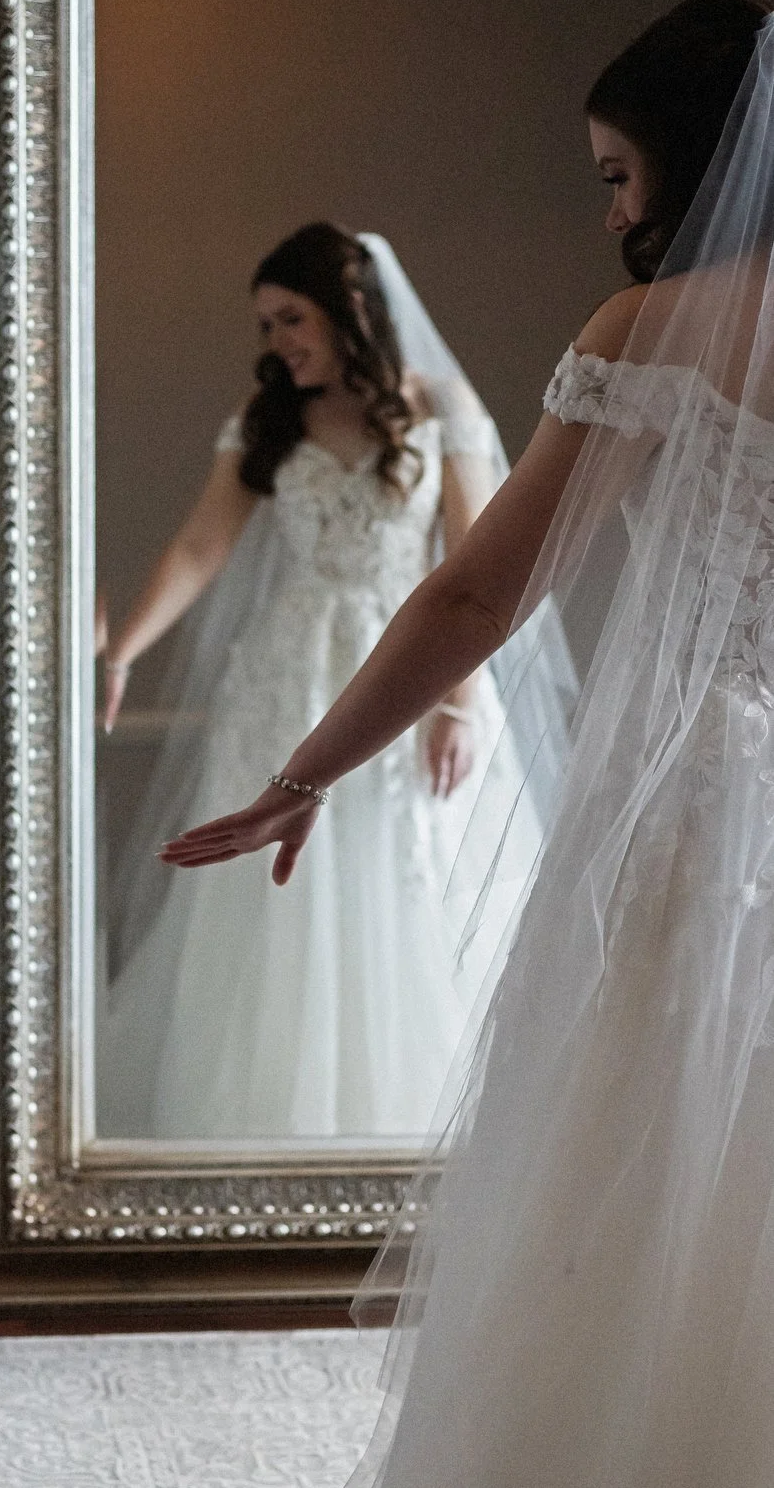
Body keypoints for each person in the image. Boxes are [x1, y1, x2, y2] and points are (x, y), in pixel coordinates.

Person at [116, 0, 774, 1488]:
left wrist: (311, 769)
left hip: (709, 826)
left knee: (640, 1227)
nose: (608, 215)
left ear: (694, 156)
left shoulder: (657, 331)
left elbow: (485, 585)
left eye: (618, 174)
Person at [96, 226, 572, 1140]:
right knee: (275, 895)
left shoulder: (441, 410)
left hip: (414, 668)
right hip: (287, 676)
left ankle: (421, 1130)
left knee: (411, 874)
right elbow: (202, 547)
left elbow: (480, 564)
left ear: (351, 313)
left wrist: (461, 705)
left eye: (290, 319)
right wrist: (124, 653)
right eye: (267, 324)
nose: (276, 341)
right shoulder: (271, 416)